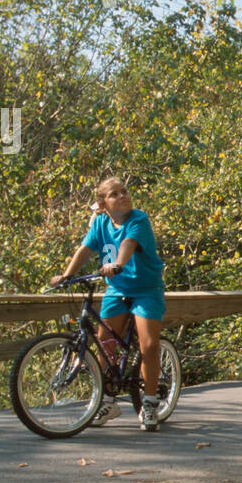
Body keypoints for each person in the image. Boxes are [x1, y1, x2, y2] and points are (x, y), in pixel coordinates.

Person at [53, 176, 166, 432]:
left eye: (124, 191)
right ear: (102, 203)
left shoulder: (139, 219)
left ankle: (149, 404)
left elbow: (128, 244)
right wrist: (67, 275)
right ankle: (107, 401)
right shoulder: (101, 223)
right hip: (117, 289)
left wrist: (118, 264)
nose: (123, 196)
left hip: (146, 289)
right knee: (105, 343)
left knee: (149, 344)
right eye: (114, 194)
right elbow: (85, 249)